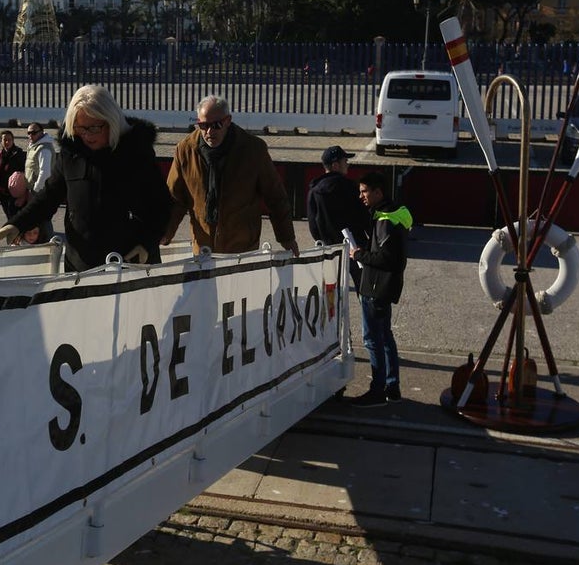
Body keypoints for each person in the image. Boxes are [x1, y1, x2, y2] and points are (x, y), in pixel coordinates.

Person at [0, 85, 172, 272]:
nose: (86, 136)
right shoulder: (72, 151)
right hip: (80, 266)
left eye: (93, 128)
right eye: (80, 128)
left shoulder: (136, 151)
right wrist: (17, 223)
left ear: (111, 121)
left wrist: (146, 243)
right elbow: (49, 196)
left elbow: (162, 206)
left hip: (130, 262)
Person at [162, 95, 298, 256]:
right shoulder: (185, 150)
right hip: (203, 248)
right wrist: (164, 234)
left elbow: (275, 197)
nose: (209, 131)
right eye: (203, 125)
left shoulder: (253, 150)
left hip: (242, 249)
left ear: (228, 121)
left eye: (216, 125)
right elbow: (174, 198)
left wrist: (287, 238)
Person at [347, 172, 413, 408]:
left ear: (378, 192)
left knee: (373, 339)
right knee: (385, 337)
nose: (361, 196)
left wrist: (359, 254)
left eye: (364, 191)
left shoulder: (384, 220)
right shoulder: (396, 215)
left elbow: (387, 258)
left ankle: (377, 391)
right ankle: (392, 387)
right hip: (386, 287)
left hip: (375, 287)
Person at [306, 144, 371, 287]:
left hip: (330, 250)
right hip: (355, 247)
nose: (347, 164)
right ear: (335, 165)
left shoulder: (315, 191)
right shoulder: (349, 186)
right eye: (344, 161)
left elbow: (313, 226)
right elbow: (364, 216)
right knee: (365, 290)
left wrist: (323, 241)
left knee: (331, 294)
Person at [0, 130, 26, 219]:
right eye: (5, 140)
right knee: (8, 215)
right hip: (2, 191)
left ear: (13, 140)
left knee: (14, 215)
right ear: (1, 141)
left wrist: (24, 194)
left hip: (15, 192)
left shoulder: (19, 154)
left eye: (9, 139)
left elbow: (24, 173)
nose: (7, 142)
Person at [24, 121, 54, 195]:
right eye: (28, 133)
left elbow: (45, 173)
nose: (30, 135)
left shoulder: (44, 149)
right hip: (32, 189)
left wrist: (36, 190)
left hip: (40, 192)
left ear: (41, 132)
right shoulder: (33, 146)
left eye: (33, 133)